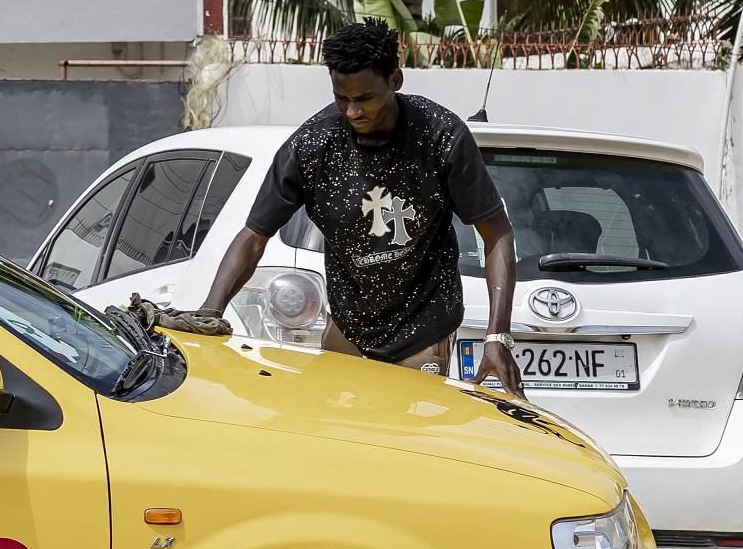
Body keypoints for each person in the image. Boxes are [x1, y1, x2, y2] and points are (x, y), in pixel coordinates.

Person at [195, 20, 527, 393]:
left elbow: (496, 233)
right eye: (342, 98)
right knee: (342, 441)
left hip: (421, 330)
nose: (352, 112)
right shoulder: (311, 146)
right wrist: (212, 309)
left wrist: (497, 335)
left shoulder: (440, 136)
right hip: (348, 328)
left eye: (365, 98)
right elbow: (254, 235)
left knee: (406, 442)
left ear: (395, 81)